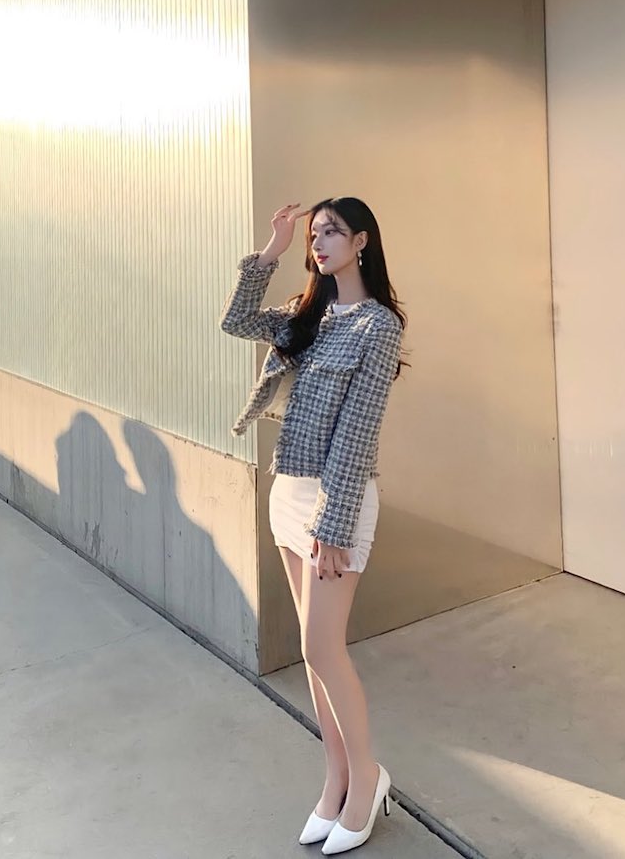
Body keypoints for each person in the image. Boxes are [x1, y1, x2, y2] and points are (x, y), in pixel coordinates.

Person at [220, 196, 407, 854]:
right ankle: (335, 780)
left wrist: (334, 523)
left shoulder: (378, 326)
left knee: (326, 649)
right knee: (311, 653)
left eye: (331, 232)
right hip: (288, 492)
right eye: (313, 234)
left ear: (361, 242)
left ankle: (368, 779)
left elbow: (358, 432)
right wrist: (270, 251)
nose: (318, 243)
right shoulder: (307, 314)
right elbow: (237, 320)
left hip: (337, 503)